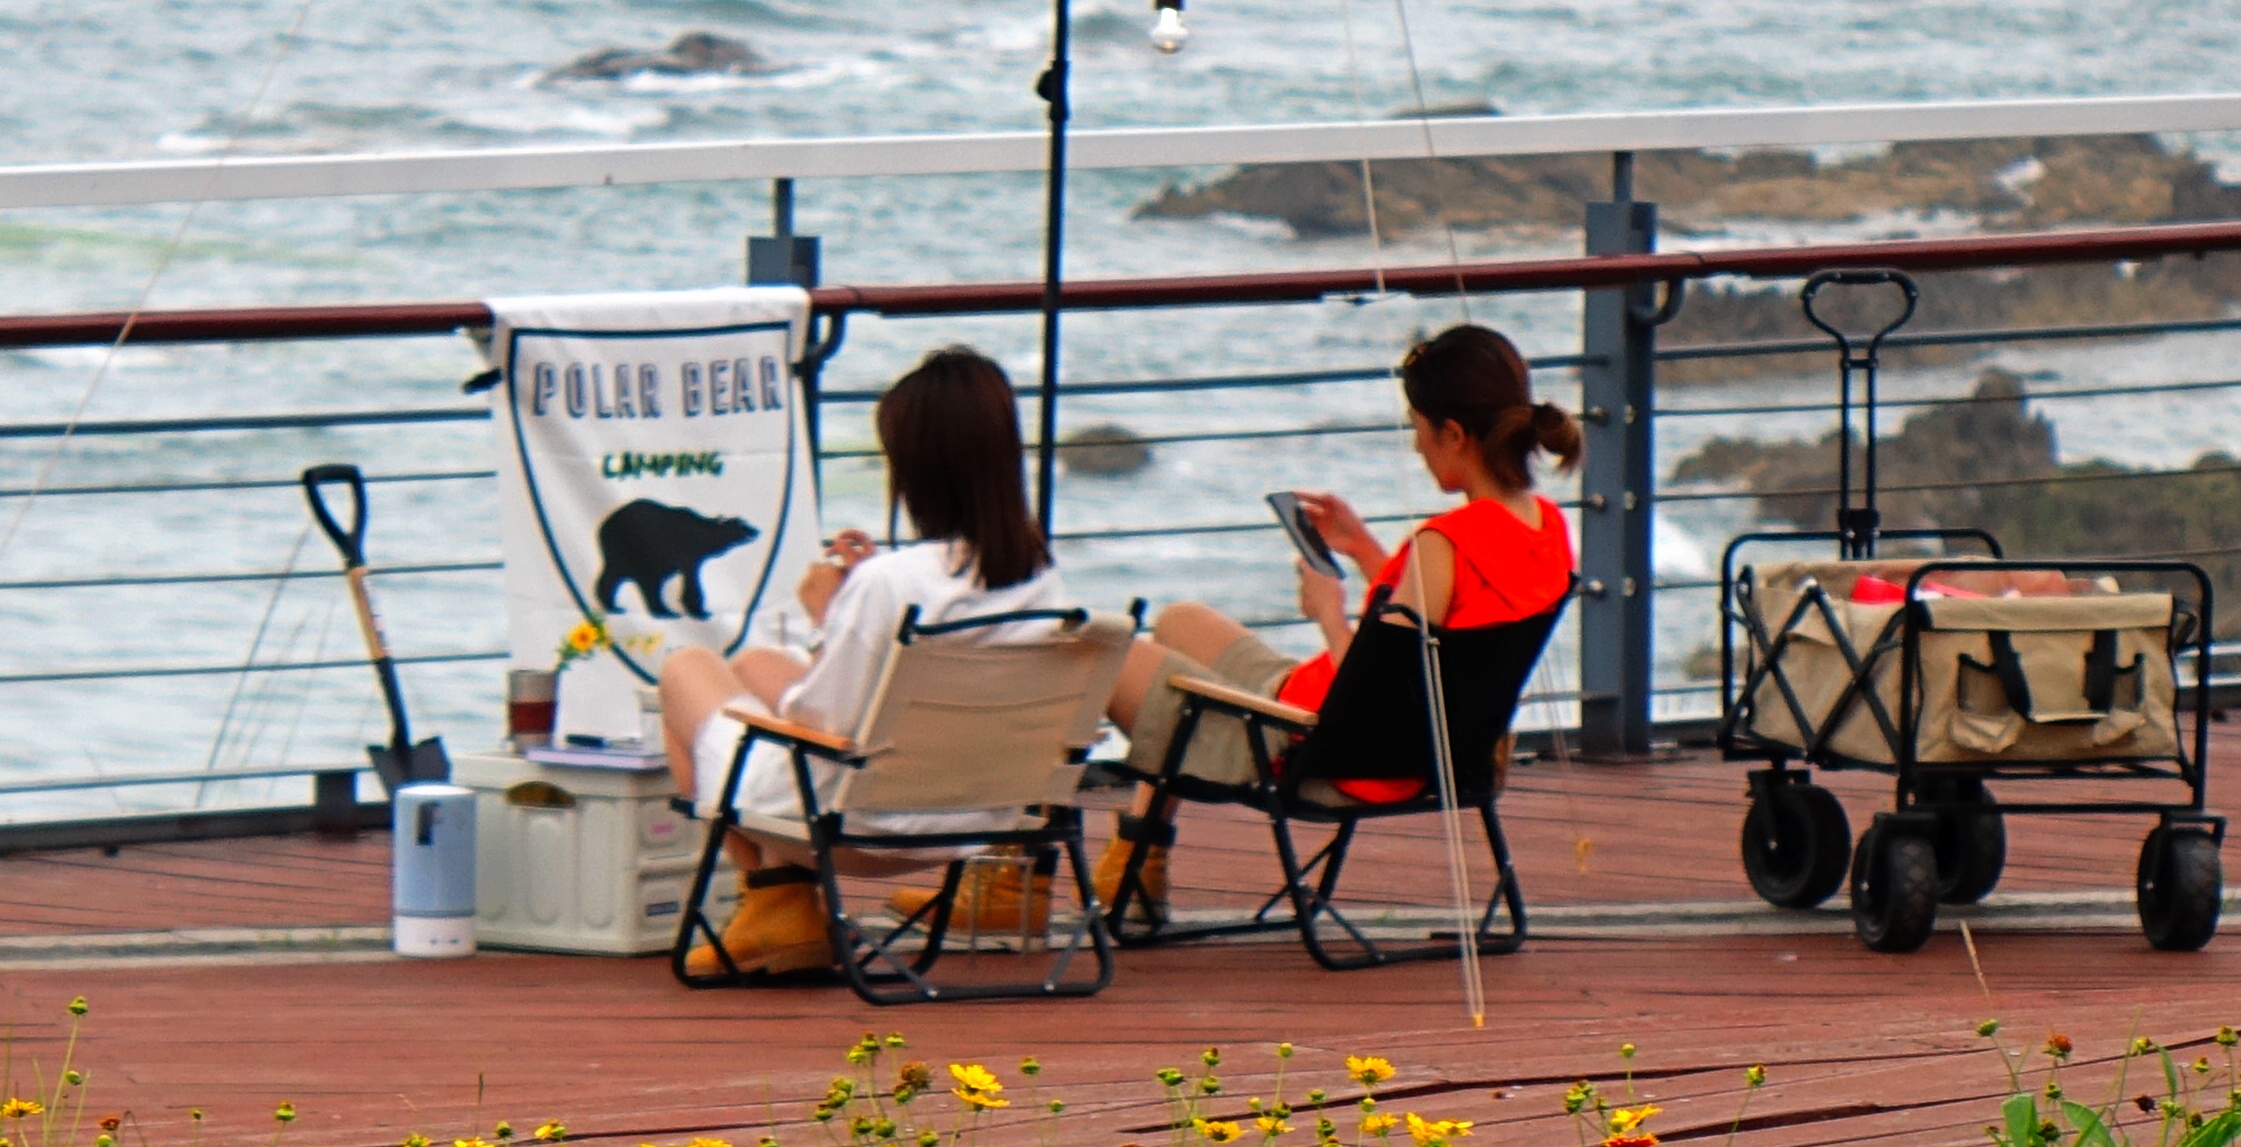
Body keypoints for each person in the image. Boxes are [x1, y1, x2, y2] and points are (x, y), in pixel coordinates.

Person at [1108, 323, 1577, 872]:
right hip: (1427, 749)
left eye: (1419, 428)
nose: (1415, 445)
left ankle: (1124, 869)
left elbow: (1374, 707)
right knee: (1180, 621)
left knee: (1106, 654)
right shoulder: (1546, 528)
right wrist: (1362, 548)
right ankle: (1134, 872)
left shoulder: (1443, 544)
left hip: (1310, 747)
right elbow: (1448, 633)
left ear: (1452, 435)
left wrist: (1327, 613)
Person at [654, 343, 1063, 973]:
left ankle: (773, 901)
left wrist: (828, 612)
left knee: (687, 669)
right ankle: (781, 910)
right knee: (758, 662)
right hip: (978, 815)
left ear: (915, 467)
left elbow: (822, 722)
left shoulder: (889, 584)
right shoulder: (1039, 573)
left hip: (858, 823)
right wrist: (842, 623)